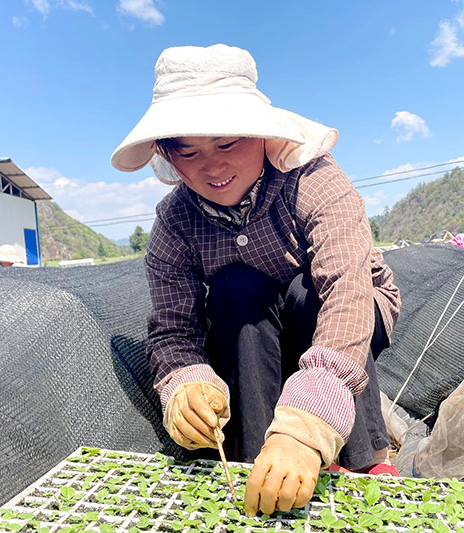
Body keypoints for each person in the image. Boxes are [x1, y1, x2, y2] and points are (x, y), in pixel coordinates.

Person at [110, 44, 401, 516]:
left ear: (262, 136)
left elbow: (347, 292)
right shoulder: (175, 221)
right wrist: (186, 385)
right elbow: (173, 328)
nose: (213, 166)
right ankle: (257, 461)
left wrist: (305, 431)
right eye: (189, 152)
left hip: (339, 315)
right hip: (255, 330)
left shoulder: (314, 181)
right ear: (168, 156)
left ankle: (364, 458)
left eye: (227, 143)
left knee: (309, 292)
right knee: (235, 289)